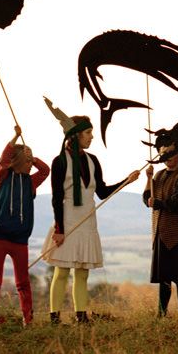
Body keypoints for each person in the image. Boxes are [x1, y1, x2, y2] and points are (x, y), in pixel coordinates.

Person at [42, 96, 140, 323]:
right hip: (67, 220)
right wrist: (59, 228)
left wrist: (127, 181)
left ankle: (81, 316)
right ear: (76, 134)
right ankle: (54, 317)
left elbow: (102, 192)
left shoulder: (94, 160)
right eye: (88, 133)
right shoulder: (60, 161)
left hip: (88, 220)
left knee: (82, 272)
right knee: (62, 271)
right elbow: (57, 199)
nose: (92, 137)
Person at [0, 139, 49, 325]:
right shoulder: (2, 177)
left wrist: (33, 158)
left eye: (30, 162)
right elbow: (3, 161)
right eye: (26, 161)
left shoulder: (30, 182)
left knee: (23, 281)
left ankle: (28, 318)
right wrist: (13, 140)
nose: (30, 165)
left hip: (20, 239)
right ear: (17, 160)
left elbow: (45, 171)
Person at [143, 142, 178, 317]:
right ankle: (161, 313)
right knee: (164, 277)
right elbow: (148, 200)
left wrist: (159, 203)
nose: (167, 158)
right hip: (160, 232)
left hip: (177, 234)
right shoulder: (158, 175)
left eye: (170, 154)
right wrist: (148, 178)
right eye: (163, 154)